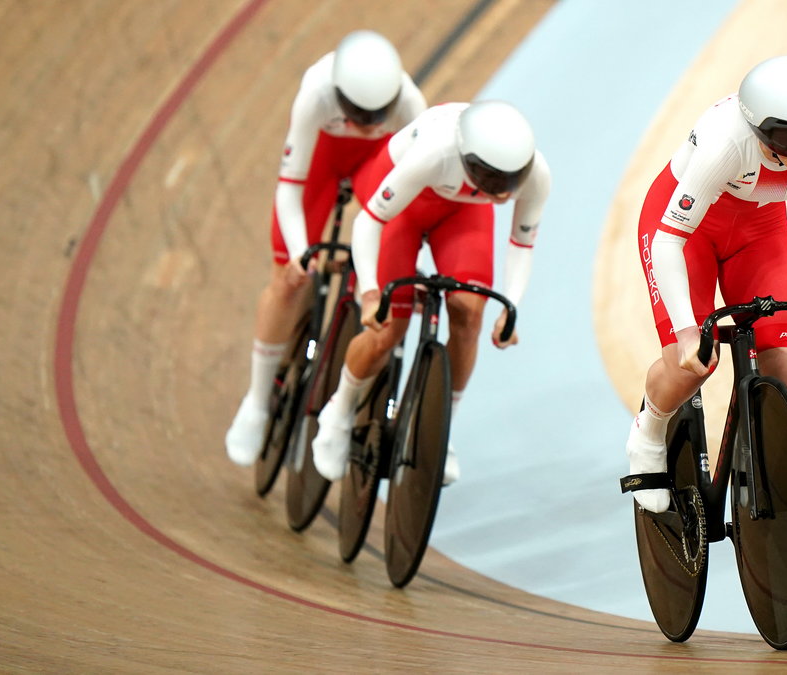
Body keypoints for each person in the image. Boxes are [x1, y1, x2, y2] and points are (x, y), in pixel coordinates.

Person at [626, 55, 787, 512]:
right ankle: (648, 432)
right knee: (691, 364)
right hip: (683, 233)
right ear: (763, 137)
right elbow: (669, 242)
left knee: (784, 369)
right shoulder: (726, 145)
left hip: (760, 233)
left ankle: (755, 468)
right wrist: (689, 332)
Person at [309, 100, 551, 485]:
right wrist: (371, 293)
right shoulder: (433, 154)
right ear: (468, 162)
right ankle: (338, 412)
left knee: (470, 315)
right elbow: (369, 221)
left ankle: (443, 429)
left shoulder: (535, 174)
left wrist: (511, 308)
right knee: (387, 329)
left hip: (462, 212)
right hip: (401, 204)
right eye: (492, 183)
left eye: (510, 182)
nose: (503, 194)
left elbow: (522, 244)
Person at [225, 30, 426, 466]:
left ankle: (346, 368)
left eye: (379, 113)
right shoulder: (315, 93)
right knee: (286, 282)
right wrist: (300, 253)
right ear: (338, 97)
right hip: (321, 162)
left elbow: (411, 199)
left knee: (378, 270)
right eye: (358, 113)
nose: (370, 122)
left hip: (378, 165)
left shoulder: (411, 103)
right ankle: (257, 402)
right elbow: (290, 186)